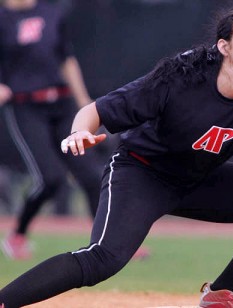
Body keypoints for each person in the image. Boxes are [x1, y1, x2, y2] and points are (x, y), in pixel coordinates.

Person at [0, 1, 233, 307]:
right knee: (103, 258)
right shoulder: (181, 77)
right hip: (142, 173)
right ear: (224, 46)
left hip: (198, 180)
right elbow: (94, 111)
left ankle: (220, 294)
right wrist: (79, 131)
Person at [0, 0, 150, 261]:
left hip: (61, 104)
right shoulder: (3, 18)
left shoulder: (50, 14)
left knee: (92, 177)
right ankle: (17, 236)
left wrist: (84, 104)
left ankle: (111, 243)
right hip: (26, 107)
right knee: (50, 179)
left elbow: (66, 60)